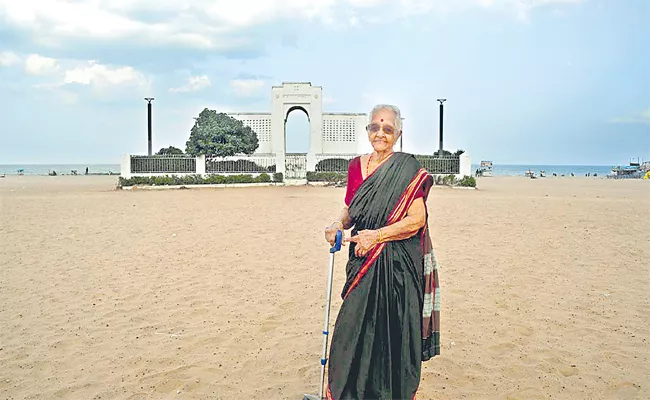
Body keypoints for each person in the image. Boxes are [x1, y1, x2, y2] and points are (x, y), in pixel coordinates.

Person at [323, 104, 441, 400]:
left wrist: (377, 236)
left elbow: (417, 220)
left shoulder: (408, 169)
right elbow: (352, 208)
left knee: (392, 333)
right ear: (367, 131)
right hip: (362, 262)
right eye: (375, 127)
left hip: (397, 265)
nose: (380, 133)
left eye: (388, 129)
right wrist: (338, 223)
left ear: (398, 134)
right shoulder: (355, 167)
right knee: (351, 328)